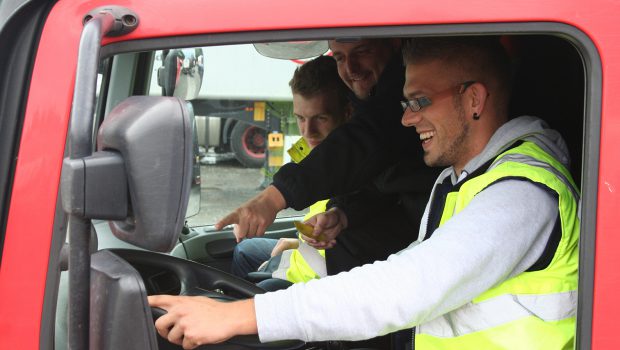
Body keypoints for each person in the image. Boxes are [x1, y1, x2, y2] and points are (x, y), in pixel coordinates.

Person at [149, 36, 580, 350]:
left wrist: (238, 316)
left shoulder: (521, 193)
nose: (408, 121)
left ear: (474, 100)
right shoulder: (461, 178)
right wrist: (347, 216)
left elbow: (410, 285)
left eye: (419, 102)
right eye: (405, 104)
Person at [231, 55, 352, 291]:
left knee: (260, 289)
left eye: (321, 118)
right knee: (245, 249)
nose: (308, 132)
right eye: (300, 118)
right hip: (305, 253)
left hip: (320, 278)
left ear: (347, 113)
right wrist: (294, 242)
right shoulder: (309, 150)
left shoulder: (353, 165)